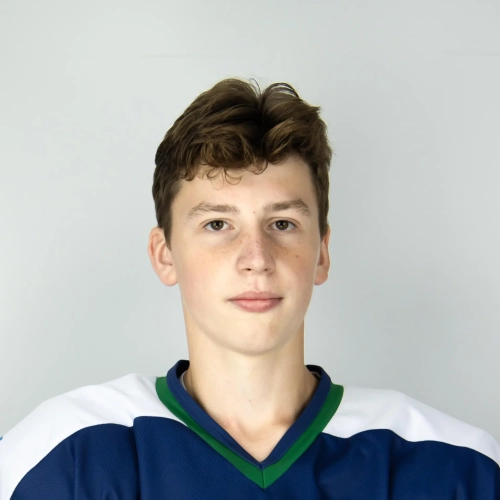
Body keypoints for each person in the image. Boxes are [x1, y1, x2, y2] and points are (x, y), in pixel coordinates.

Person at [1, 78, 499, 499]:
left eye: (282, 223)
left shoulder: (455, 467)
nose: (256, 258)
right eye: (218, 224)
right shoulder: (63, 454)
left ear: (321, 253)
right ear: (164, 254)